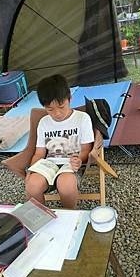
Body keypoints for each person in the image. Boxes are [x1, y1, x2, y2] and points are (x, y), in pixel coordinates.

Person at [25, 74, 94, 209]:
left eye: (61, 106)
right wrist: (31, 170)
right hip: (49, 165)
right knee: (32, 185)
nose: (57, 113)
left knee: (65, 183)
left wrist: (79, 159)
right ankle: (40, 219)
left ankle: (68, 217)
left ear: (70, 99)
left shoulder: (82, 118)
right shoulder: (44, 122)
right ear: (44, 106)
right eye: (50, 109)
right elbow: (39, 153)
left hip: (72, 164)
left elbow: (86, 149)